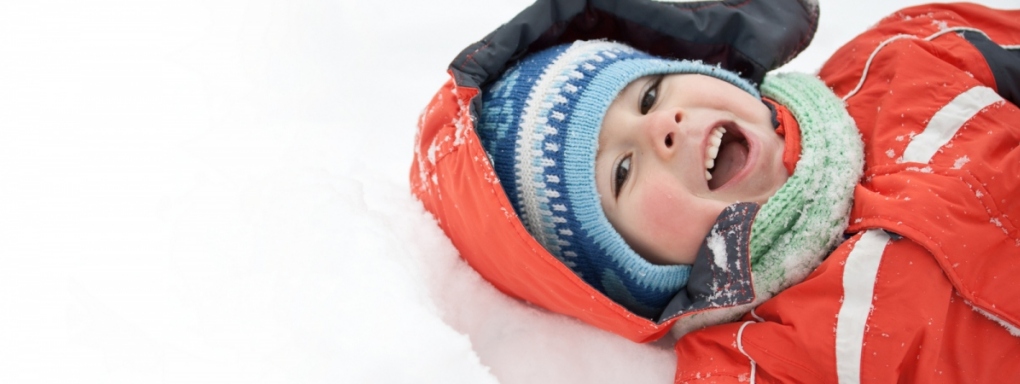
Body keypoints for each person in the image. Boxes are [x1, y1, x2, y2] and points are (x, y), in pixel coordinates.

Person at [410, 0, 1020, 382]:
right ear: (635, 271)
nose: (662, 128)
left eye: (648, 96)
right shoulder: (759, 363)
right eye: (622, 172)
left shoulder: (902, 60)